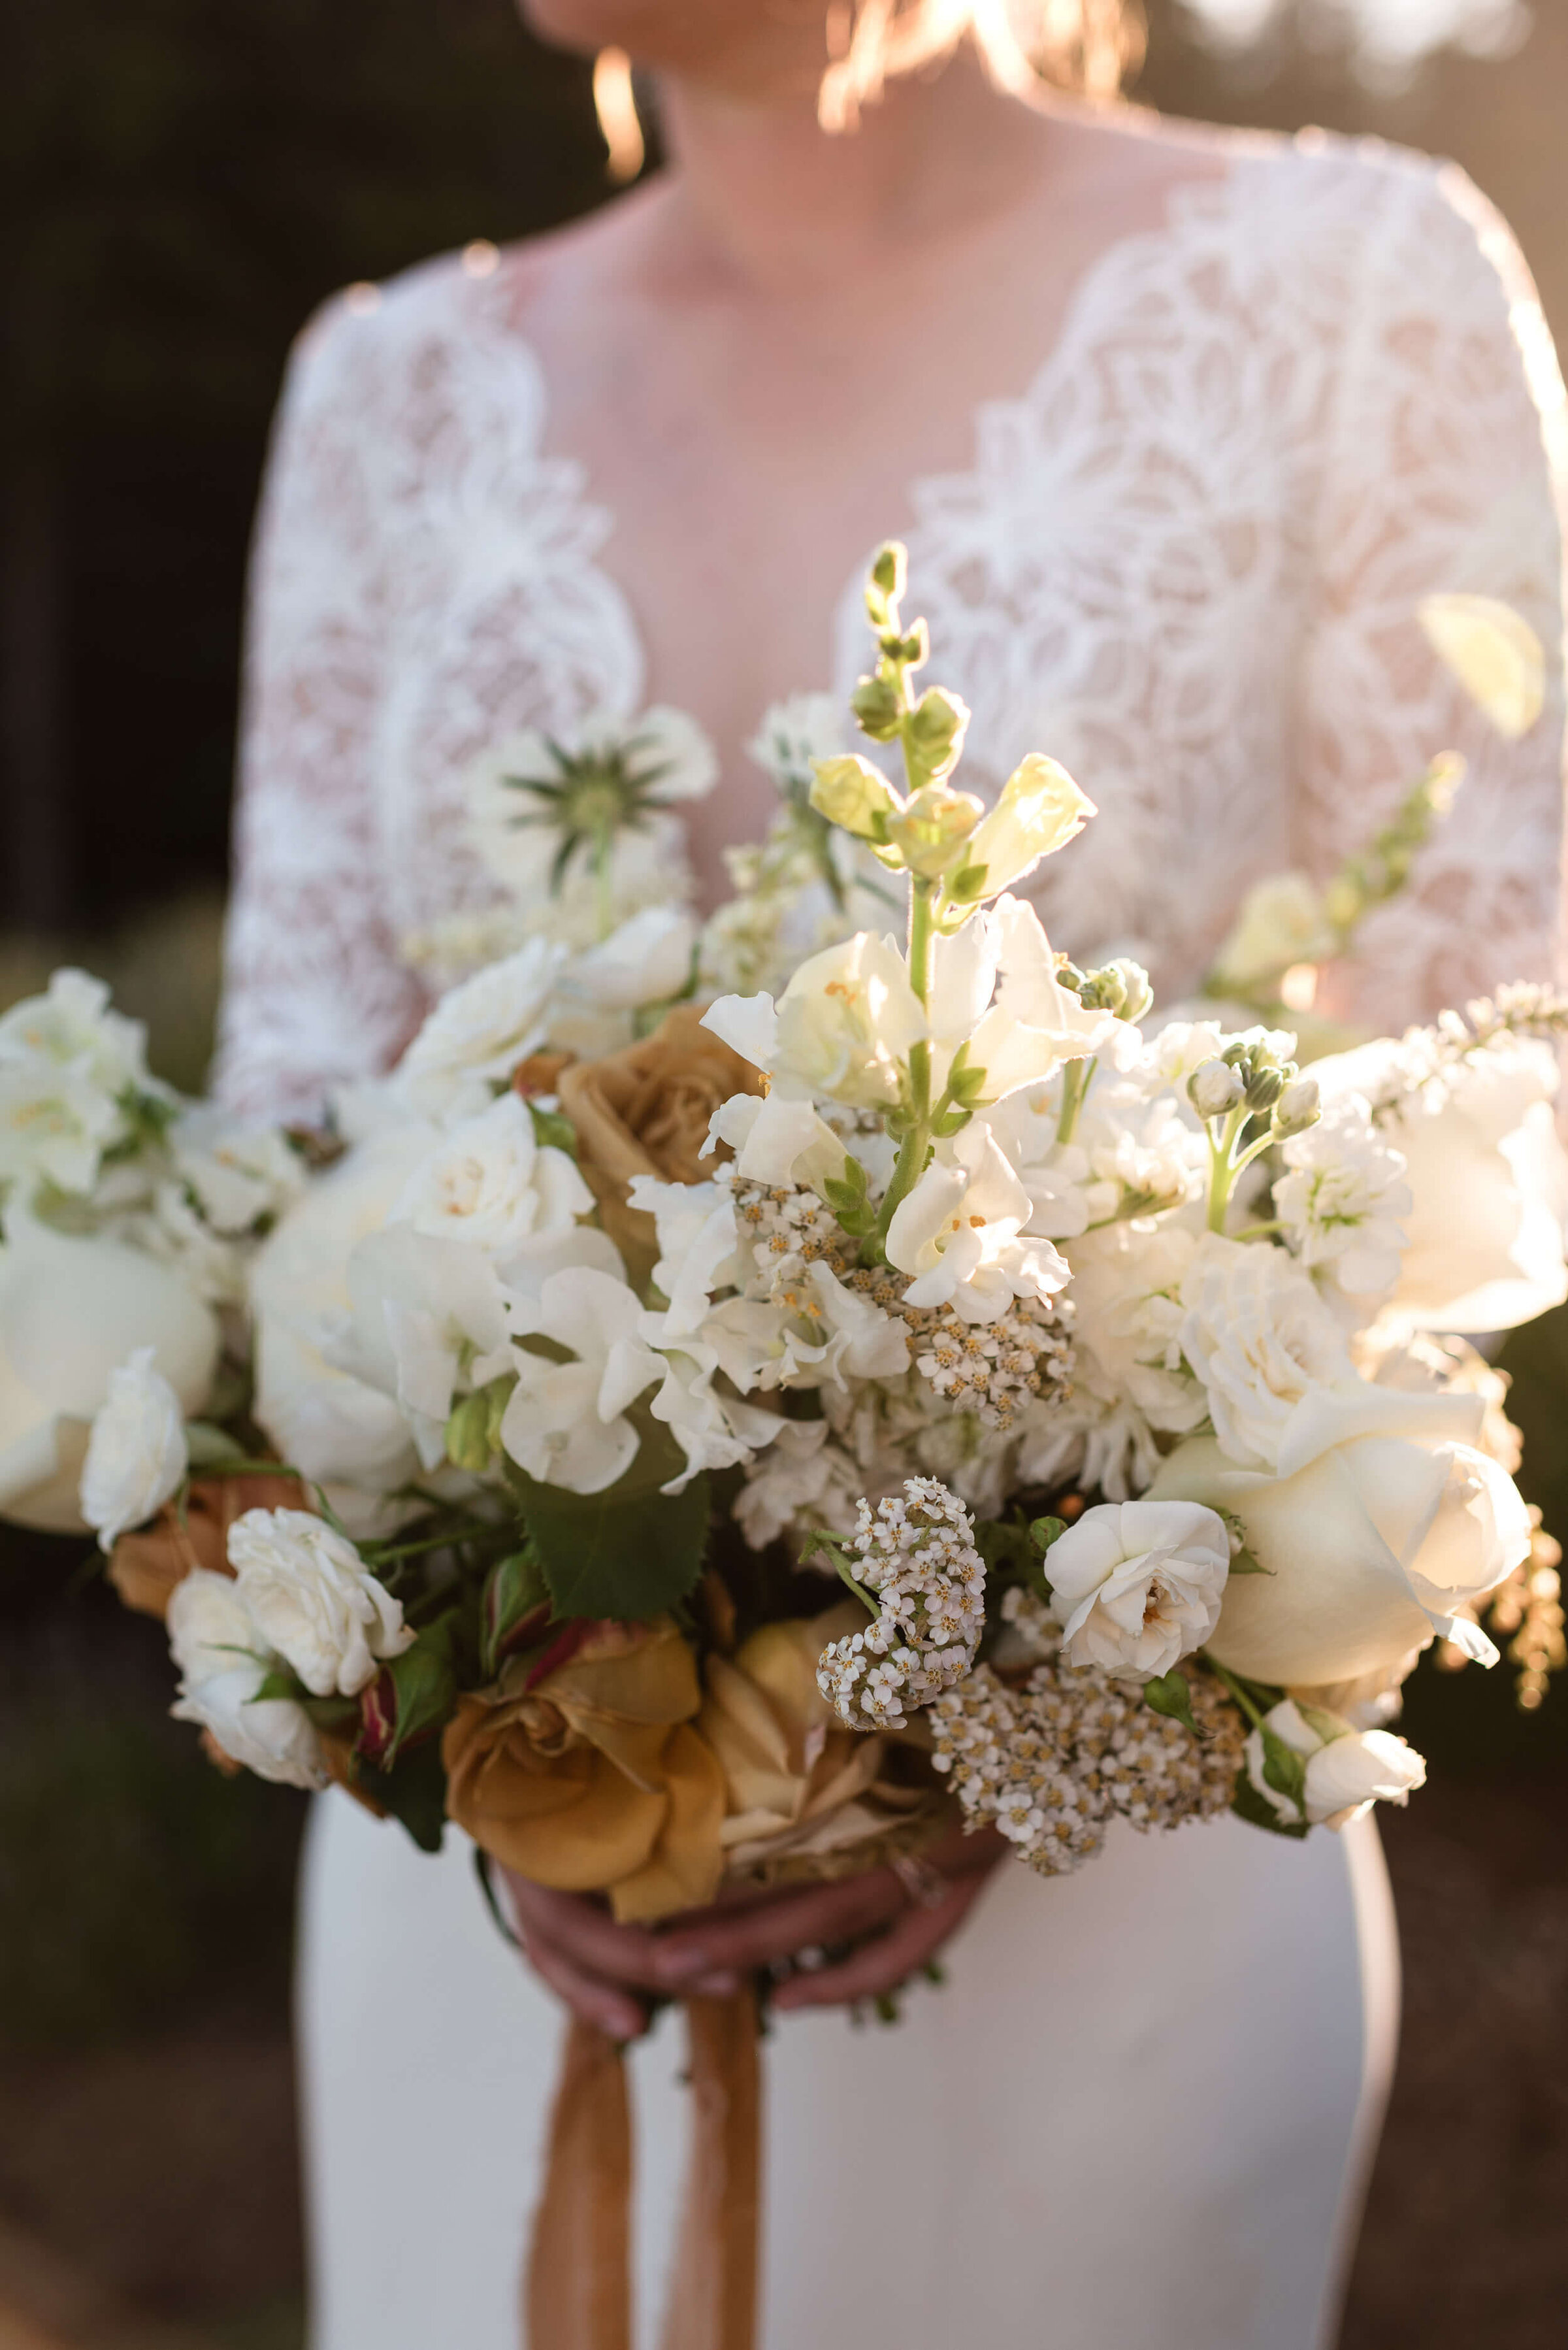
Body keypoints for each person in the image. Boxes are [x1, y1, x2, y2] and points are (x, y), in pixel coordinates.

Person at [214, 4, 1567, 2343]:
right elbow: (283, 1145)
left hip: (1112, 1825)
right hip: (507, 1850)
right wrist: (490, 1683)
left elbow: (1500, 1072)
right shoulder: (388, 389)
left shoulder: (1358, 289)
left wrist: (992, 1679)